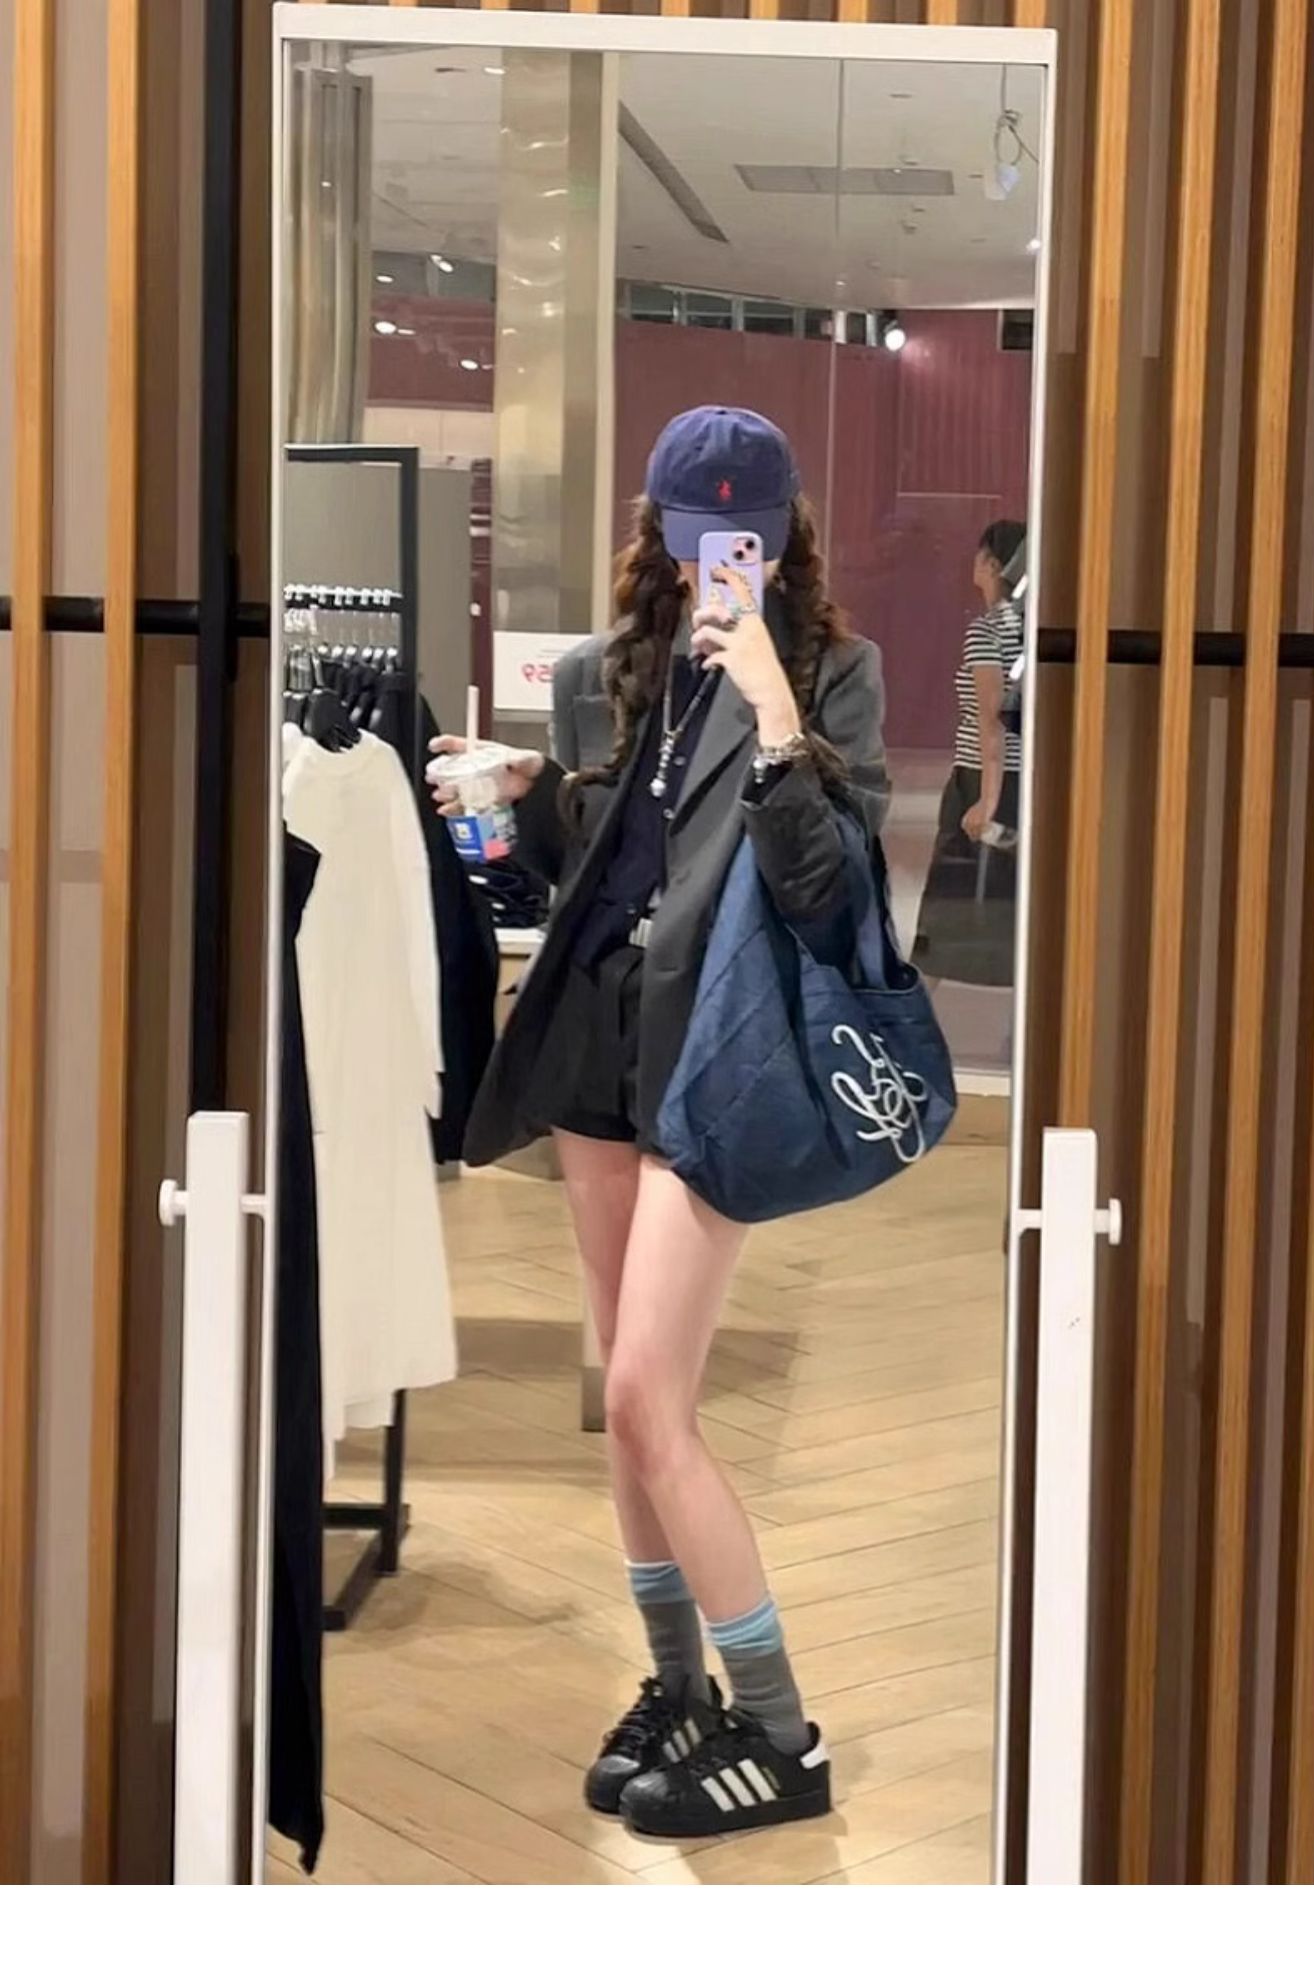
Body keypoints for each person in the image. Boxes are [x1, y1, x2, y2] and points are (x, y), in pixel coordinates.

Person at [431, 407, 888, 1839]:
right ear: (663, 530)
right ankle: (677, 1688)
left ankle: (781, 1730)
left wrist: (776, 711)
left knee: (645, 1395)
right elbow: (610, 861)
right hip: (598, 1046)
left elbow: (830, 893)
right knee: (624, 1398)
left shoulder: (836, 673)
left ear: (786, 536)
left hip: (718, 1060)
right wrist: (528, 794)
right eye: (699, 540)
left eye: (744, 541)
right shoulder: (603, 670)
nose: (718, 568)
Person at [911, 518, 1025, 992]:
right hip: (1024, 776)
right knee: (1015, 897)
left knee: (948, 902)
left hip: (982, 776)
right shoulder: (1031, 627)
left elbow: (990, 719)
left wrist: (987, 799)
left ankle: (914, 1014)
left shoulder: (987, 630)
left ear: (993, 565)